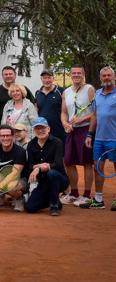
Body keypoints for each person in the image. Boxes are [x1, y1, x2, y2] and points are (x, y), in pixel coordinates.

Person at [80, 66, 116, 210]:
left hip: (114, 139)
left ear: (113, 77)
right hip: (99, 139)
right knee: (97, 168)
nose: (106, 78)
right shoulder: (99, 94)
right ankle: (99, 200)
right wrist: (90, 134)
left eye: (109, 75)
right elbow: (94, 115)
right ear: (101, 78)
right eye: (104, 76)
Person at [60, 64, 96, 206]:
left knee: (87, 162)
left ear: (83, 74)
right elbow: (64, 112)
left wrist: (81, 119)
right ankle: (74, 193)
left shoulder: (90, 89)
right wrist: (65, 123)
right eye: (73, 73)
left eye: (78, 73)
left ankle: (86, 195)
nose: (76, 75)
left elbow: (95, 112)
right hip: (71, 131)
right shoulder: (66, 92)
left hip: (85, 129)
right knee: (68, 162)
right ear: (70, 75)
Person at [26, 117, 69, 216]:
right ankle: (54, 198)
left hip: (60, 180)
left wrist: (40, 168)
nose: (40, 131)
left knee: (51, 173)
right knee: (30, 207)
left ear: (48, 128)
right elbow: (30, 165)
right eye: (37, 128)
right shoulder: (31, 145)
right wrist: (37, 167)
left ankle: (54, 205)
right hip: (43, 183)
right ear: (33, 130)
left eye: (43, 128)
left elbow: (57, 164)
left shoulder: (57, 142)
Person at [0, 66, 36, 132]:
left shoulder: (24, 89)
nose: (8, 76)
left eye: (10, 74)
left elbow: (34, 107)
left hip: (24, 133)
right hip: (2, 131)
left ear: (15, 74)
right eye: (6, 74)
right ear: (2, 76)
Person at [35, 69, 65, 143]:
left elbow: (66, 110)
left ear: (53, 78)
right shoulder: (38, 93)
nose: (47, 80)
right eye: (44, 78)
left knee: (61, 154)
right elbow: (37, 110)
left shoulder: (61, 91)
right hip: (43, 131)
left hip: (59, 130)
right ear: (41, 79)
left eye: (49, 78)